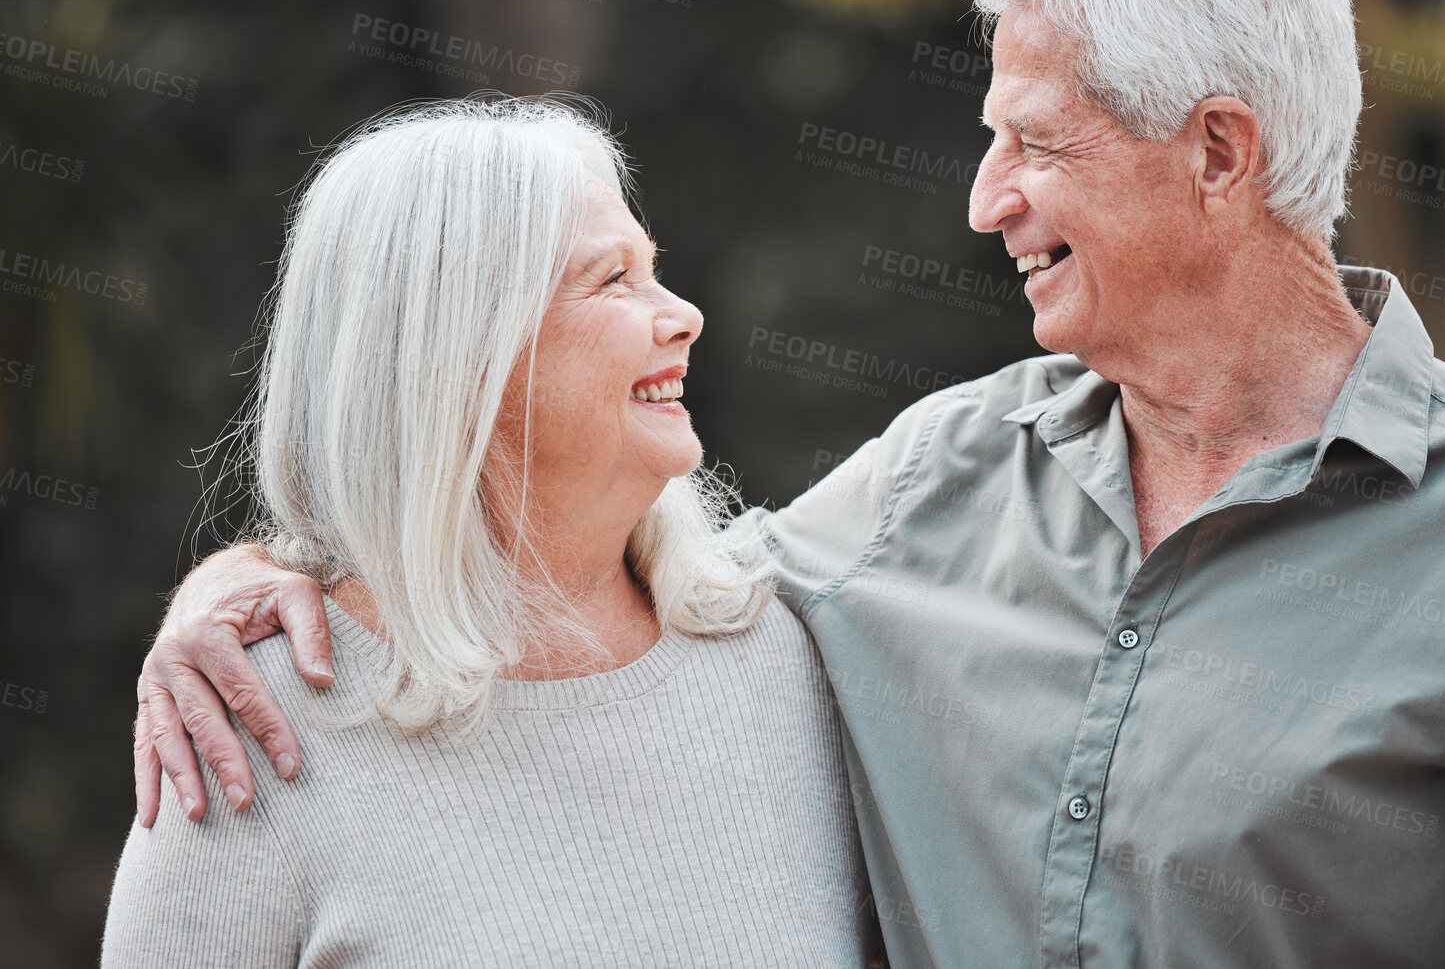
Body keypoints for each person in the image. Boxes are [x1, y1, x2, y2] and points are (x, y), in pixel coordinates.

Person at [129, 0, 1445, 968]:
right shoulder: (937, 480)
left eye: (1035, 142)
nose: (986, 198)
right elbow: (555, 559)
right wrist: (259, 580)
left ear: (1219, 153)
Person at [103, 98, 877, 966]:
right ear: (457, 352)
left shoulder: (790, 653)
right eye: (614, 279)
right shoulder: (246, 719)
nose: (685, 314)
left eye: (651, 270)